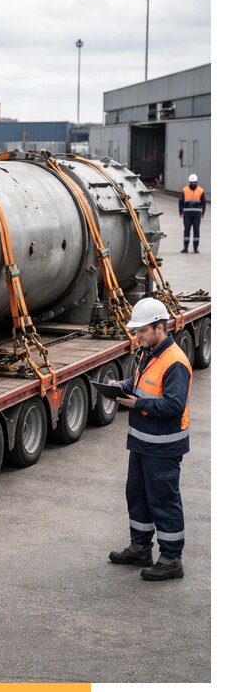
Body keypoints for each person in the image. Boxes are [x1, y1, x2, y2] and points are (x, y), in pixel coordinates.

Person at [108, 297, 192, 581]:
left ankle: (171, 560)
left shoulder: (175, 362)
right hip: (143, 444)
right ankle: (140, 548)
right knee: (137, 496)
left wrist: (137, 405)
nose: (138, 335)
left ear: (159, 328)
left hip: (164, 447)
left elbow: (173, 405)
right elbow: (140, 384)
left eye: (142, 330)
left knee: (163, 501)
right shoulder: (147, 353)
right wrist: (120, 387)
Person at [179, 173, 206, 253]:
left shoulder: (201, 191)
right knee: (186, 230)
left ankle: (195, 248)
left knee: (196, 230)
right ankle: (185, 247)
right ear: (189, 182)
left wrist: (203, 212)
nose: (193, 184)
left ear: (196, 182)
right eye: (191, 182)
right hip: (187, 215)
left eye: (194, 182)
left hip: (197, 215)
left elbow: (204, 202)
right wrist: (180, 211)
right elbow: (180, 202)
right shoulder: (185, 190)